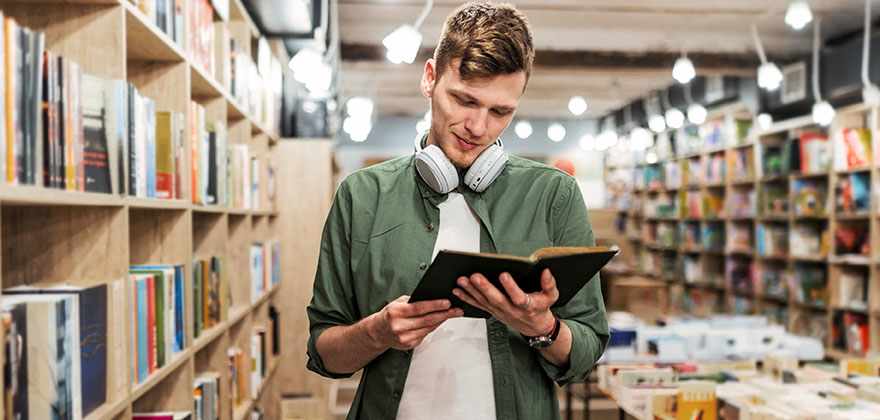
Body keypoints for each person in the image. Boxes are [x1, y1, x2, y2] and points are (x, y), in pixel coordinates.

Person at [306, 2, 609, 419]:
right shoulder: (362, 195)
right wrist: (376, 332)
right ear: (430, 78)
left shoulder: (554, 195)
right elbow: (325, 353)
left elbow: (588, 350)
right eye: (464, 100)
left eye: (500, 111)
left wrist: (542, 328)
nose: (478, 127)